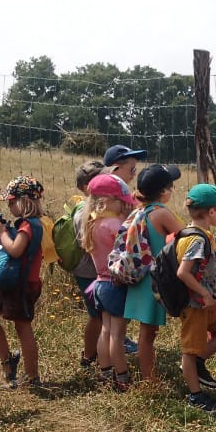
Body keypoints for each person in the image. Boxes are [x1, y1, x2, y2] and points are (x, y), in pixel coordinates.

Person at [176, 184, 216, 412]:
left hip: (206, 301)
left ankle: (198, 362)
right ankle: (196, 395)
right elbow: (183, 272)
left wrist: (213, 295)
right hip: (194, 305)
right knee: (190, 350)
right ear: (212, 211)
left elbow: (202, 272)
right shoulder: (196, 240)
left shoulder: (204, 235)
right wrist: (204, 294)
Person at [0, 176, 47, 390]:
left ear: (24, 201)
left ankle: (32, 377)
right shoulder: (24, 225)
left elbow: (15, 249)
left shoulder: (29, 226)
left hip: (22, 286)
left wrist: (1, 233)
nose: (9, 206)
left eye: (11, 202)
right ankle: (8, 360)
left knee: (23, 327)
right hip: (12, 285)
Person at [122, 163, 182, 383]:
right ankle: (149, 379)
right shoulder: (161, 213)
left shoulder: (140, 211)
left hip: (140, 277)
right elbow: (183, 236)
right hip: (154, 282)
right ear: (164, 192)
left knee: (145, 332)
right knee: (147, 335)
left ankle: (146, 373)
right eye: (171, 186)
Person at [82, 172, 136, 391]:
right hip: (116, 284)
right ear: (108, 200)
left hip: (100, 284)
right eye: (121, 201)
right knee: (118, 334)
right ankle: (122, 377)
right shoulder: (115, 225)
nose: (125, 205)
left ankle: (105, 372)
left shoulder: (93, 224)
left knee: (105, 330)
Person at [66, 159, 106, 371]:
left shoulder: (99, 207)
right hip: (89, 272)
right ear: (85, 187)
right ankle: (90, 356)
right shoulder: (84, 210)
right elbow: (87, 242)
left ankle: (97, 354)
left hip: (96, 271)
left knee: (101, 315)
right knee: (97, 316)